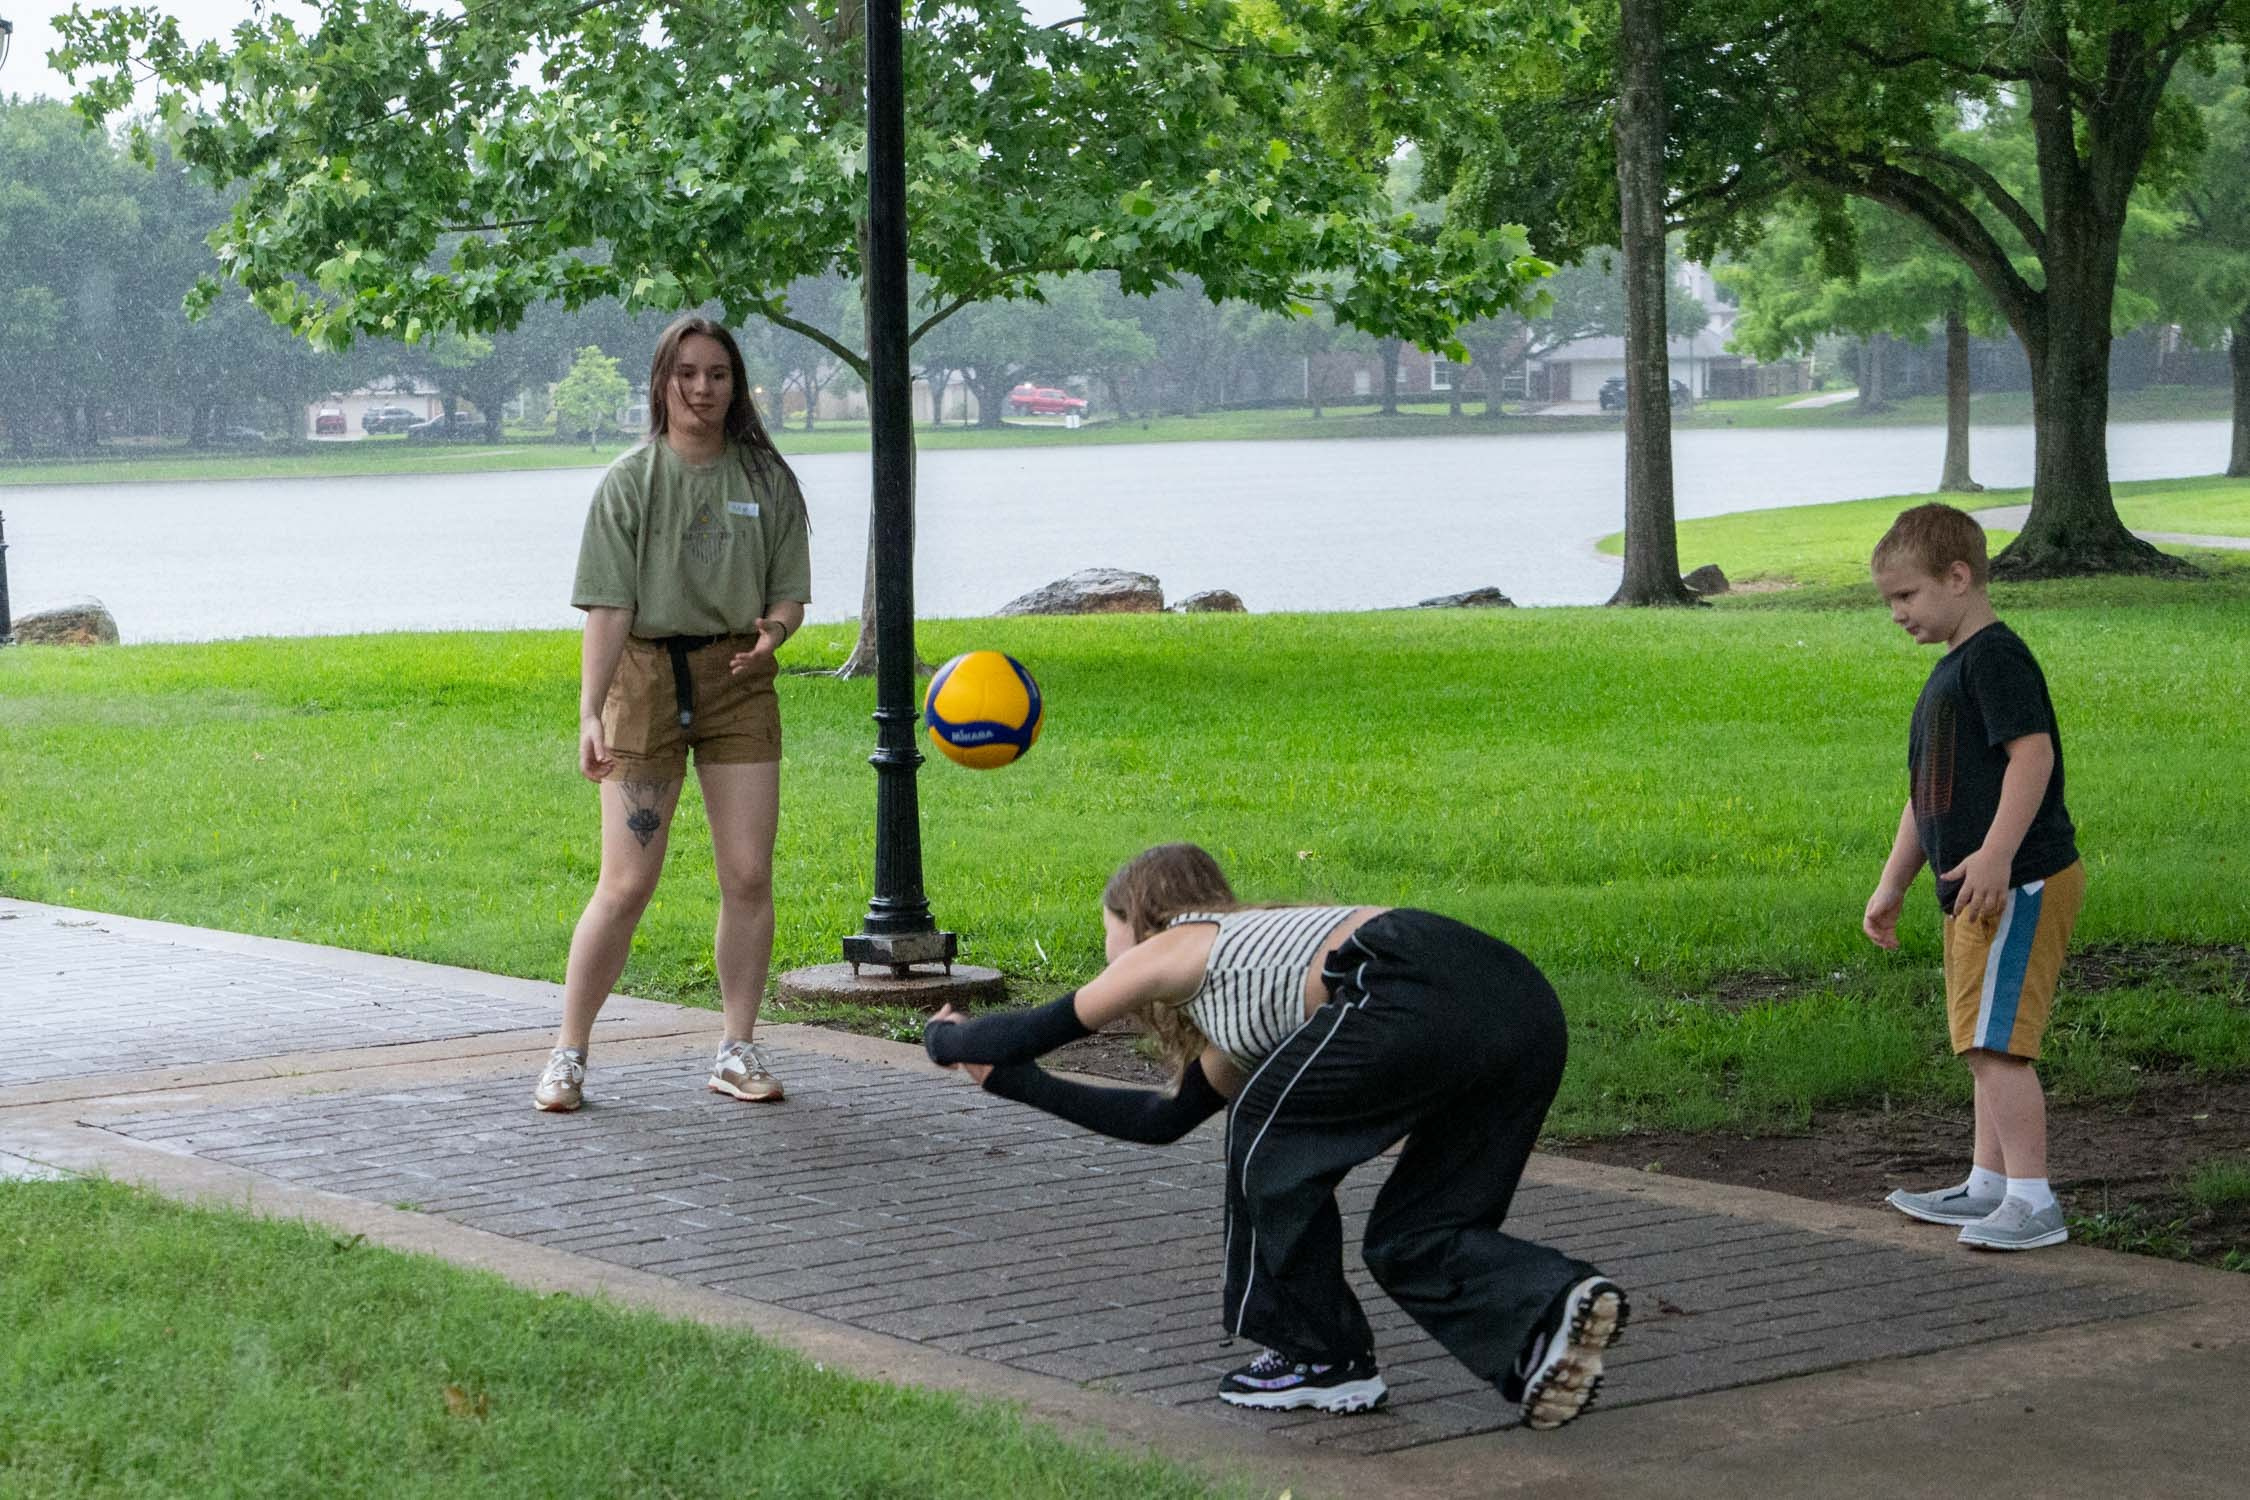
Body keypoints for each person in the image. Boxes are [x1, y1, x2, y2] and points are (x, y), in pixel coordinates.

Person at [924, 843, 1628, 1427]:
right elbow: (1160, 1120)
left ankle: (1318, 1355)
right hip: (1521, 1005)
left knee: (1263, 1131)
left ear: (1135, 917)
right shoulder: (1257, 993)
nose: (1106, 952)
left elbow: (1041, 1026)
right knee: (1413, 1232)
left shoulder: (1179, 941)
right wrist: (1011, 1083)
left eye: (1107, 932)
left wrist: (945, 1039)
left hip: (1405, 978)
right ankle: (1549, 1304)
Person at [532, 316, 812, 1113]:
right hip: (646, 682)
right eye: (686, 372)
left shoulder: (765, 478)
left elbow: (788, 591)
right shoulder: (631, 481)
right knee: (626, 884)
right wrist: (590, 711)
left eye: (718, 374)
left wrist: (776, 633)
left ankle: (736, 1046)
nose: (702, 388)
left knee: (748, 875)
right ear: (661, 382)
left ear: (737, 383)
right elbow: (608, 611)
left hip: (738, 682)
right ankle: (568, 1053)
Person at [1865, 503, 2085, 1250]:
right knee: (1978, 1039)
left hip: (2018, 878)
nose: (1896, 614)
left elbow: (2034, 756)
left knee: (1997, 1044)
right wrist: (1894, 884)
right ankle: (1987, 1186)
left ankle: (2033, 1200)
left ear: (1958, 577)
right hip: (1974, 888)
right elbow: (1925, 793)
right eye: (1889, 600)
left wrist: (1993, 854)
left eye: (1906, 596)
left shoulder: (1994, 659)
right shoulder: (1951, 672)